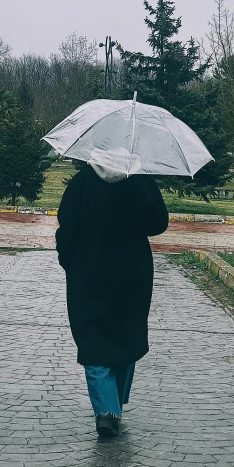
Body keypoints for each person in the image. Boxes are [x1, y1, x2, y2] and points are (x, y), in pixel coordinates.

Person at [55, 149, 169, 437]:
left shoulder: (82, 182)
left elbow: (66, 226)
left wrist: (69, 260)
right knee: (126, 336)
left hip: (88, 273)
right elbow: (159, 224)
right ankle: (112, 405)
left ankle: (108, 411)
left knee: (92, 339)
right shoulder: (141, 181)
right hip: (133, 274)